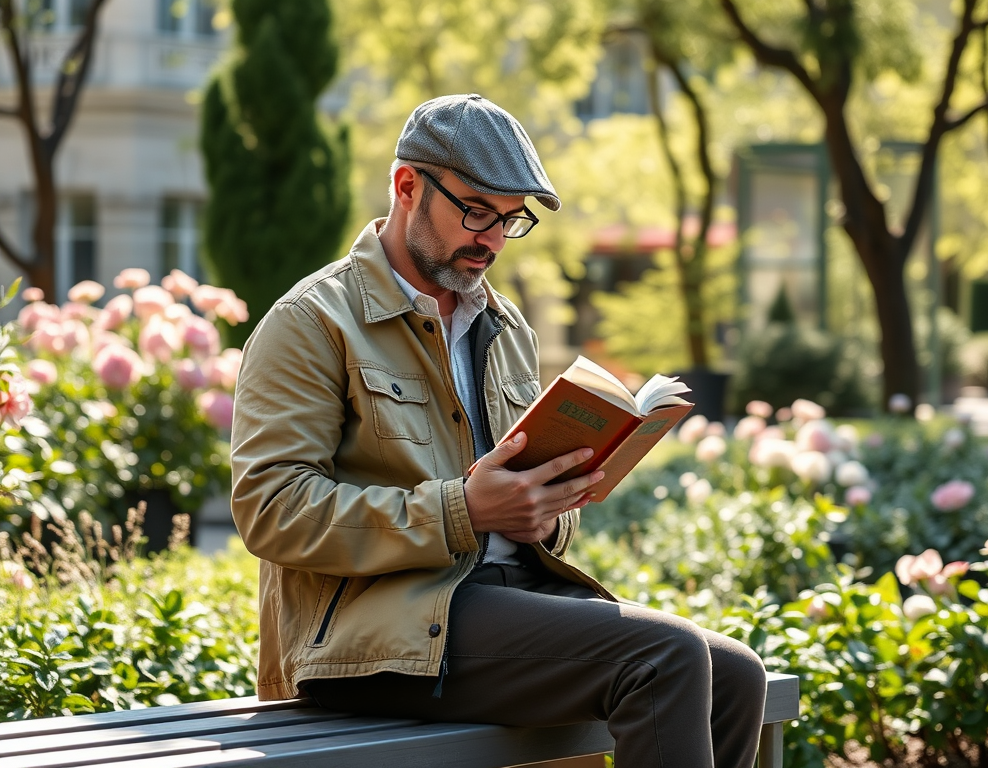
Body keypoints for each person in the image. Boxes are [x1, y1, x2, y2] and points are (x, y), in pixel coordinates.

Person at [230, 93, 767, 767]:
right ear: (406, 187)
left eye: (510, 220)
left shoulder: (506, 328)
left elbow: (526, 503)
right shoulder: (312, 322)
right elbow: (271, 511)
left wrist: (547, 508)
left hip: (504, 604)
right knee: (665, 656)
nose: (490, 237)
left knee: (738, 674)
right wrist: (461, 510)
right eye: (476, 211)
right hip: (376, 634)